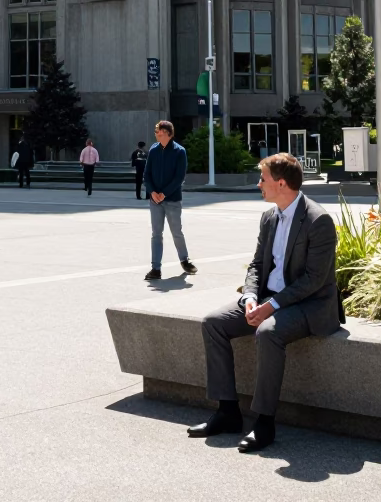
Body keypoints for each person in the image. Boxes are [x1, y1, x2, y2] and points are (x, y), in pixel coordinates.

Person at [187, 152, 343, 454]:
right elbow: (258, 265)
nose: (259, 184)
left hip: (309, 304)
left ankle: (264, 422)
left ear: (281, 183)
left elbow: (313, 280)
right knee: (213, 323)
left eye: (263, 179)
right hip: (269, 299)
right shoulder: (269, 216)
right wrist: (250, 298)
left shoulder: (318, 219)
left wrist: (271, 307)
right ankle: (228, 411)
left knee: (268, 332)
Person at [143, 121, 195, 280]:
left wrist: (164, 193)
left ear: (168, 133)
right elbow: (147, 174)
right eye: (156, 131)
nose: (157, 134)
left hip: (172, 199)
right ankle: (155, 269)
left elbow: (179, 178)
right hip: (155, 201)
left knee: (176, 232)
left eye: (160, 132)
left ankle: (185, 260)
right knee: (156, 234)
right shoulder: (153, 150)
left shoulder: (180, 152)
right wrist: (152, 192)